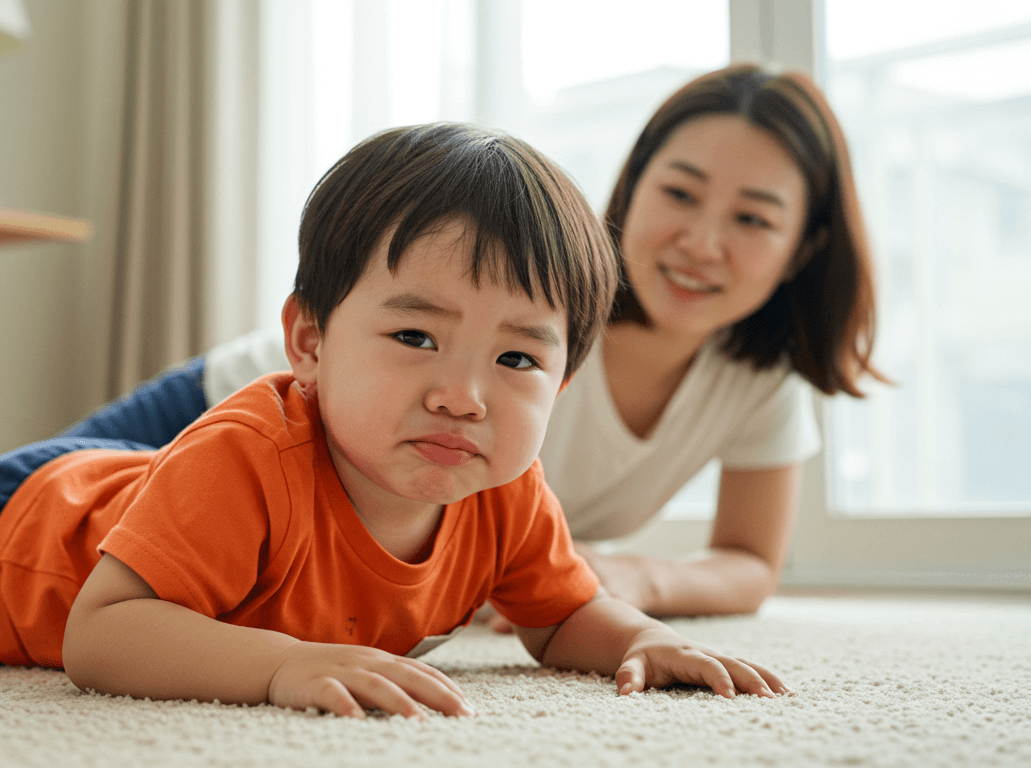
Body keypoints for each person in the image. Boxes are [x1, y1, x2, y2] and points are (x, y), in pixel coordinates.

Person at [0, 123, 785, 717]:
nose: (462, 393)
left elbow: (559, 613)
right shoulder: (249, 453)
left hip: (125, 501)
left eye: (518, 356)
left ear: (564, 378)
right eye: (417, 335)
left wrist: (636, 640)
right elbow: (102, 637)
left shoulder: (500, 489)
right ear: (310, 339)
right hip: (9, 549)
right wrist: (281, 668)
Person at [52, 64, 883, 621]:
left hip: (341, 525)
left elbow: (748, 561)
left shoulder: (760, 379)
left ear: (804, 246)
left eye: (751, 219)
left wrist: (636, 577)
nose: (702, 242)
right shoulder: (538, 298)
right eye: (680, 192)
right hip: (219, 416)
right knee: (6, 540)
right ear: (634, 186)